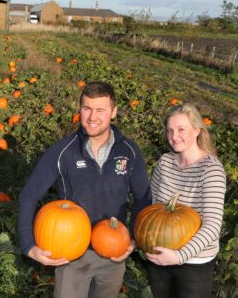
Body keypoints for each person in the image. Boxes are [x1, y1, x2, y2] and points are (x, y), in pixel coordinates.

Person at [18, 81, 152, 298]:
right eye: (87, 108)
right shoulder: (63, 151)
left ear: (114, 112)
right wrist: (29, 245)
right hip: (72, 255)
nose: (92, 117)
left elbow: (143, 198)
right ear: (79, 109)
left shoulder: (129, 151)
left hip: (114, 253)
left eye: (100, 109)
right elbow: (29, 194)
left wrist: (135, 239)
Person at [145, 103, 226, 298]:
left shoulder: (211, 171)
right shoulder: (164, 163)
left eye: (181, 130)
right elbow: (153, 208)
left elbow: (213, 225)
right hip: (160, 257)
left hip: (194, 264)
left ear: (197, 130)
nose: (174, 136)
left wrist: (179, 256)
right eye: (170, 130)